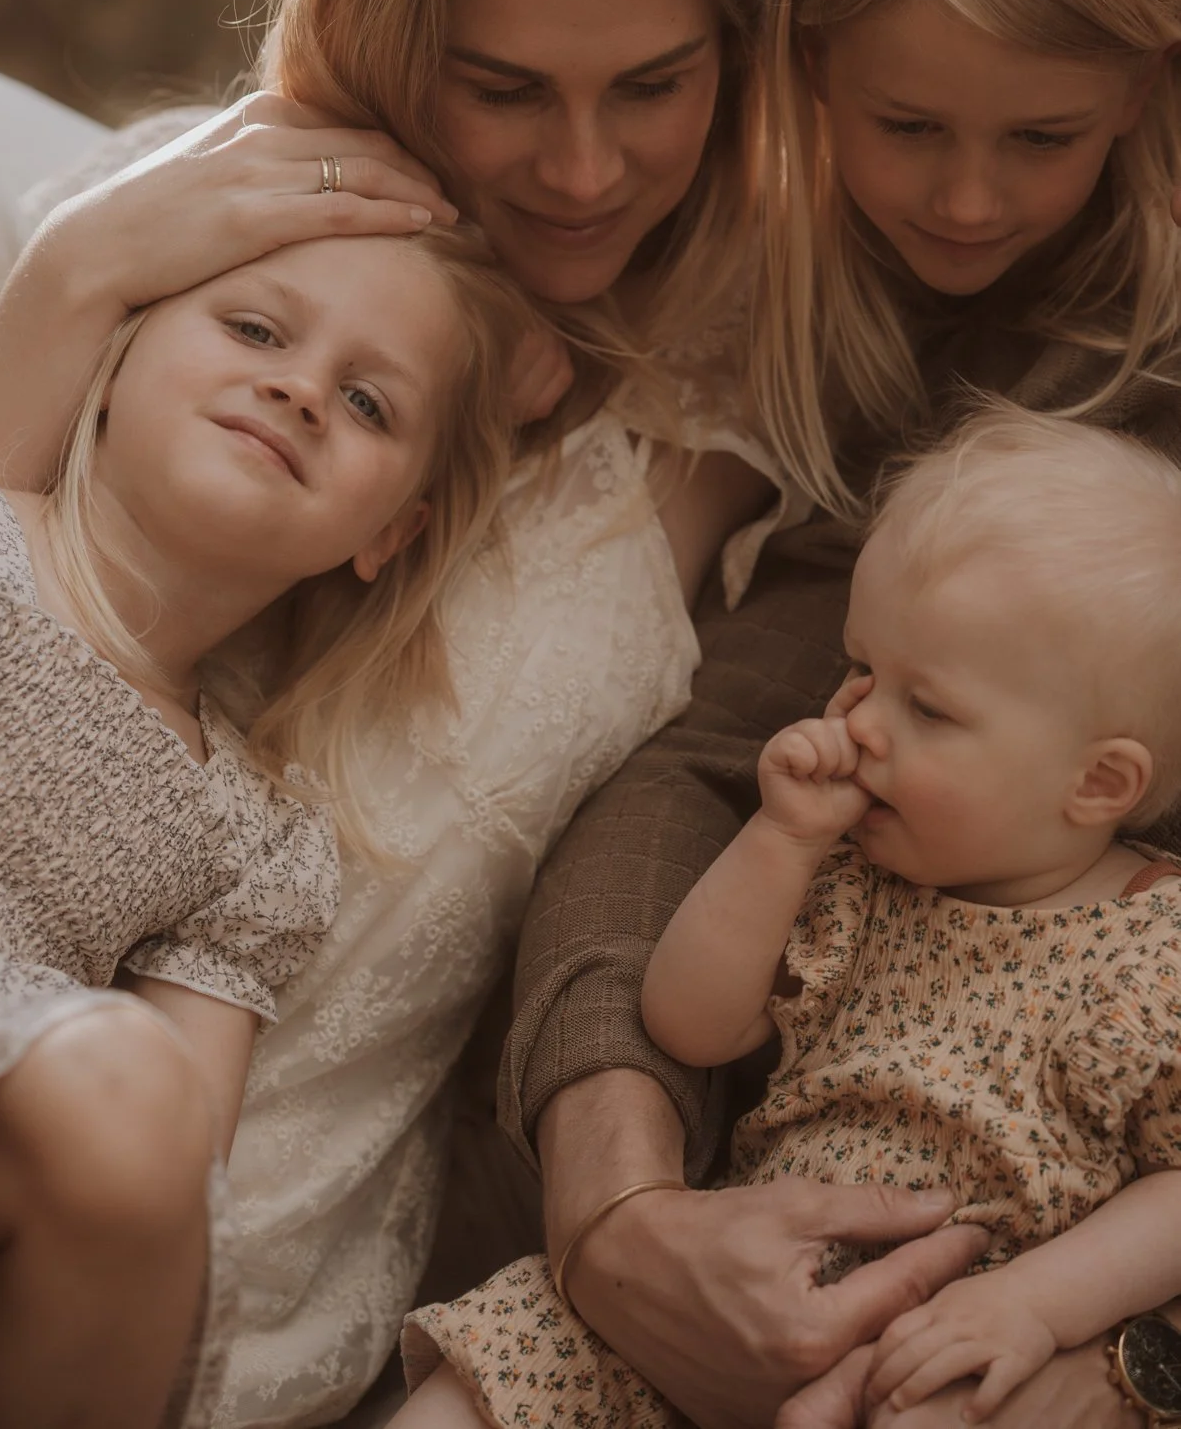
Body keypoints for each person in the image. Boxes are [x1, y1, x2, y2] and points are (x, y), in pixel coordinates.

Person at [0, 0, 950, 1429]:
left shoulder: (760, 381)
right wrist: (73, 281)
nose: (578, 168)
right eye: (501, 90)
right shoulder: (196, 256)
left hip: (268, 1301)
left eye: (653, 86)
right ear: (398, 43)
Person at [499, 0, 1181, 1429]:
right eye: (903, 126)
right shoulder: (836, 336)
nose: (962, 199)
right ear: (806, 77)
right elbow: (712, 747)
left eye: (1043, 137)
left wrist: (1107, 1344)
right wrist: (615, 1201)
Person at [401, 405, 1181, 1429]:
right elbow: (691, 1022)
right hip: (736, 1279)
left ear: (1097, 781)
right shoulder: (857, 874)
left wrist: (1034, 1304)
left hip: (948, 1347)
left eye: (928, 708)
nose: (856, 722)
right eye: (860, 668)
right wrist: (777, 839)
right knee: (500, 1366)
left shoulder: (1155, 949)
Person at [0, 222, 537, 1429]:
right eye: (254, 330)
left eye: (365, 402)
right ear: (118, 359)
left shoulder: (256, 840)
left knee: (133, 1086)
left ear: (387, 532)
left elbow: (167, 1193)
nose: (298, 388)